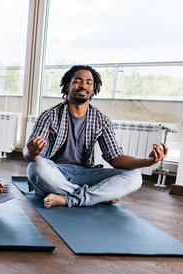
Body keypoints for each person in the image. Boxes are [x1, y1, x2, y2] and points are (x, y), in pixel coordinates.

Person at [23, 65, 168, 208]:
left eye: (88, 82)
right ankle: (96, 197)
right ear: (67, 86)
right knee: (35, 167)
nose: (83, 85)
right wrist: (32, 152)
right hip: (55, 173)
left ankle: (70, 198)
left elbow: (115, 158)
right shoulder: (48, 115)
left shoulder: (101, 119)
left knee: (135, 177)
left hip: (85, 174)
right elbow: (28, 155)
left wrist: (147, 161)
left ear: (93, 89)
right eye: (78, 81)